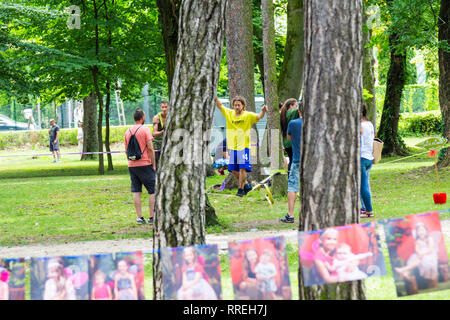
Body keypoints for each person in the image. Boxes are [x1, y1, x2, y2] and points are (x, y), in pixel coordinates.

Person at [215, 96, 267, 197]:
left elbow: (259, 117)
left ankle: (240, 189)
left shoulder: (248, 115)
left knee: (242, 168)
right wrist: (214, 94)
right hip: (233, 148)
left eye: (239, 105)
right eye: (235, 105)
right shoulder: (229, 113)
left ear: (243, 106)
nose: (237, 107)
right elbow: (220, 105)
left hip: (244, 147)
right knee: (232, 169)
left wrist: (263, 111)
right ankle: (246, 185)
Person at [124, 109, 156, 224]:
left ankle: (139, 217)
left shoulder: (127, 131)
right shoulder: (145, 129)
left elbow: (126, 150)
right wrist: (153, 164)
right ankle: (152, 216)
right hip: (145, 164)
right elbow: (151, 148)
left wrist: (131, 161)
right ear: (142, 118)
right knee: (153, 190)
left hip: (132, 165)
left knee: (136, 191)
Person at [280, 104, 303, 223]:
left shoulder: (293, 123)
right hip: (313, 161)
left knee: (293, 187)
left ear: (299, 110)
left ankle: (290, 214)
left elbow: (289, 138)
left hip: (297, 159)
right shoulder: (316, 123)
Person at [360, 104, 375, 218]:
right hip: (369, 157)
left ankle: (368, 210)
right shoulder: (369, 124)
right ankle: (364, 208)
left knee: (363, 186)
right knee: (365, 185)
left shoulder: (360, 126)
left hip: (361, 157)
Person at [279, 98, 300, 174]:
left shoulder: (282, 114)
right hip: (292, 141)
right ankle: (291, 176)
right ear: (291, 106)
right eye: (296, 105)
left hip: (286, 142)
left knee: (291, 159)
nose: (296, 107)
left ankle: (289, 175)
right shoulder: (293, 113)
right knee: (294, 160)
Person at [152, 101, 168, 170]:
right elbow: (154, 134)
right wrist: (163, 132)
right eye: (162, 107)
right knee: (158, 167)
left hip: (168, 144)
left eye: (166, 107)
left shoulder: (172, 116)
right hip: (158, 145)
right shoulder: (156, 118)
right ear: (160, 108)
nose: (164, 109)